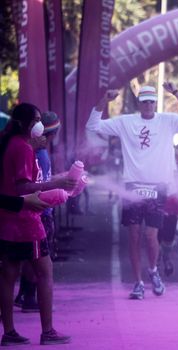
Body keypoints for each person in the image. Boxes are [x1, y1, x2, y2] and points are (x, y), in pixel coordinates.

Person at [86, 83, 178, 300]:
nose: (148, 105)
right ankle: (138, 283)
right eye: (144, 101)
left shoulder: (167, 121)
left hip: (158, 187)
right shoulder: (125, 122)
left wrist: (176, 93)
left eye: (151, 101)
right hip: (133, 187)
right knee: (134, 236)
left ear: (155, 103)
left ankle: (154, 271)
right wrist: (104, 100)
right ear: (139, 104)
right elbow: (93, 126)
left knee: (151, 235)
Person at [0, 103, 76, 346]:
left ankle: (9, 332)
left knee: (8, 276)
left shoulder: (12, 144)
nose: (39, 124)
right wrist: (53, 187)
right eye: (35, 120)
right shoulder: (22, 148)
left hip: (8, 220)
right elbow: (23, 187)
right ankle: (48, 331)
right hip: (26, 221)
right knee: (45, 273)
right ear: (24, 124)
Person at [14, 111, 62, 313]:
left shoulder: (33, 152)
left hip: (32, 212)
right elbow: (39, 185)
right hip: (41, 214)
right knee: (42, 263)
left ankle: (23, 295)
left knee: (27, 258)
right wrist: (60, 189)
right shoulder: (41, 155)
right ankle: (30, 298)